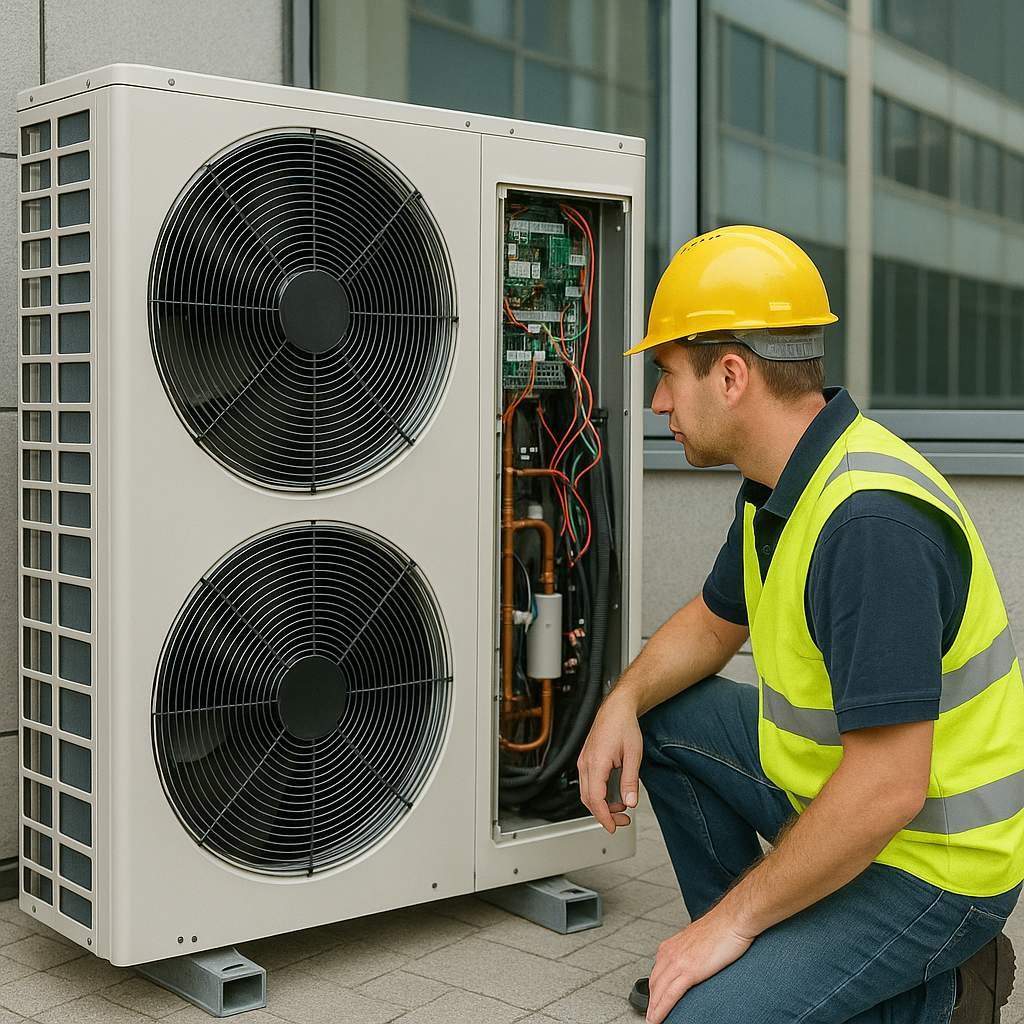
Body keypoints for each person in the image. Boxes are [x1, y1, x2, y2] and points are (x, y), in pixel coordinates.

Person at [577, 225, 1024, 1024]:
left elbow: (888, 788)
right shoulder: (779, 484)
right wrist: (620, 700)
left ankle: (950, 988)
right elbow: (713, 625)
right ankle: (745, 962)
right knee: (665, 712)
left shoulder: (869, 525)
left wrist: (730, 922)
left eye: (669, 375)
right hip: (845, 801)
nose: (658, 403)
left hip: (933, 863)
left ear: (733, 374)